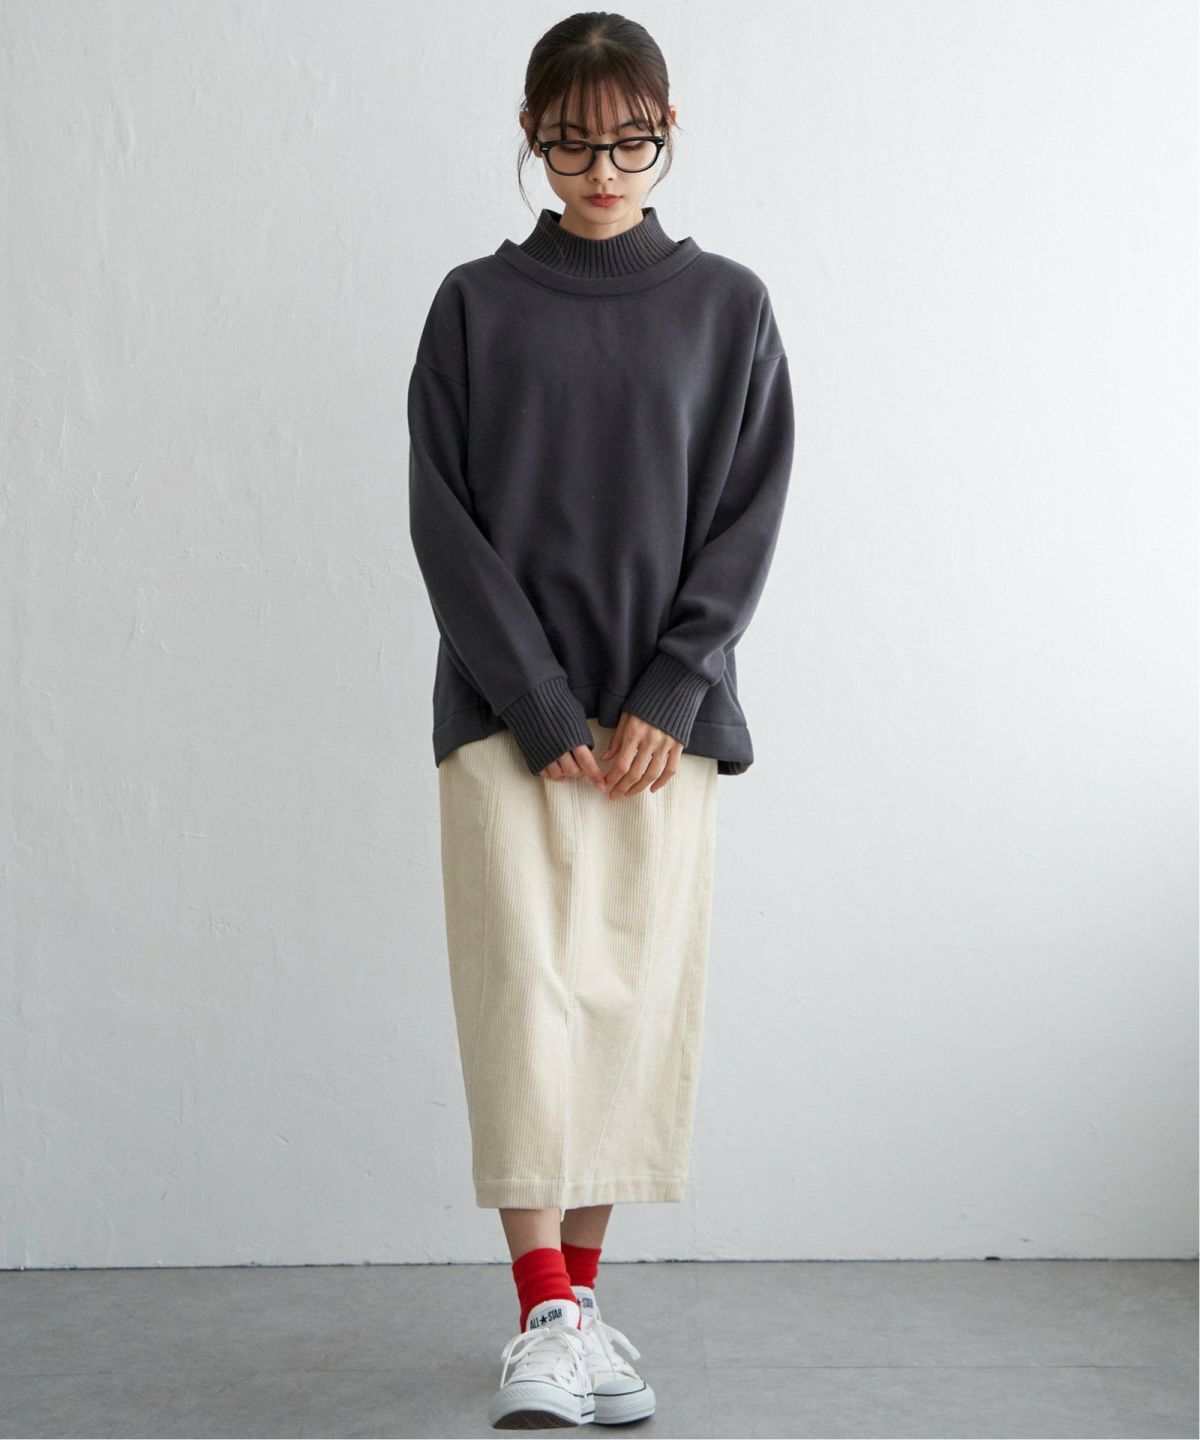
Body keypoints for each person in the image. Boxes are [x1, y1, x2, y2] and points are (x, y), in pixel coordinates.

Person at [406, 11, 795, 1429]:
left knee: (627, 1009)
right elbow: (442, 521)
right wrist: (538, 699)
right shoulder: (473, 305)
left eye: (630, 142)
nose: (603, 171)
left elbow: (748, 515)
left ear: (668, 131)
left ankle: (577, 1311)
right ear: (531, 137)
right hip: (505, 716)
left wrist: (671, 690)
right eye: (571, 146)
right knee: (524, 1004)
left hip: (657, 735)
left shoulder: (729, 307)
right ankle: (545, 1317)